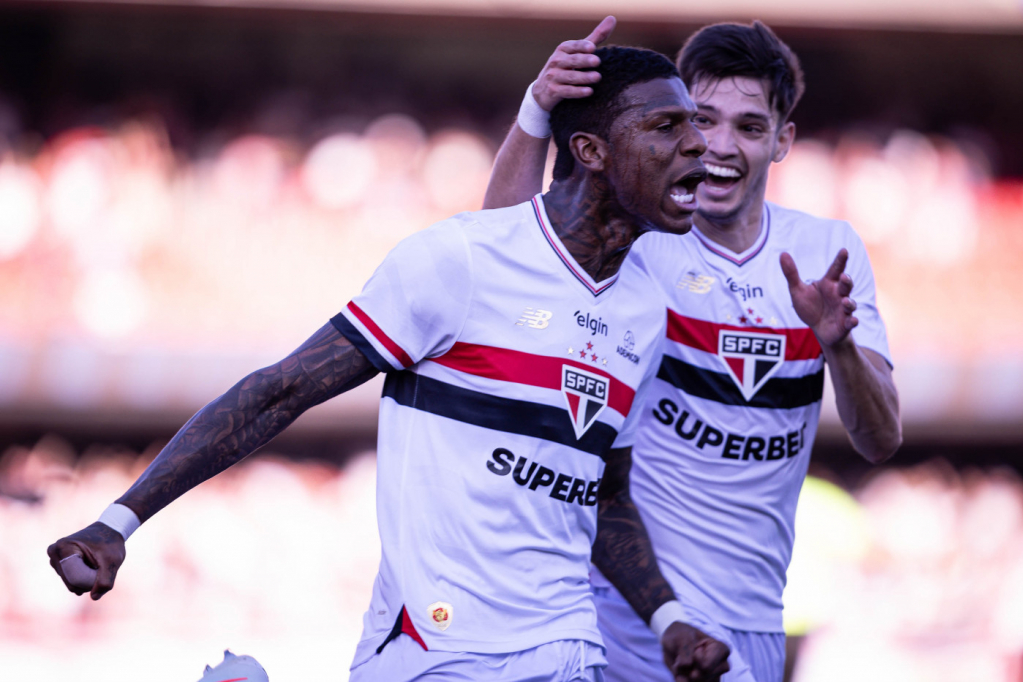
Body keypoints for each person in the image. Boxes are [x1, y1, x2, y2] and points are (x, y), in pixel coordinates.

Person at [48, 46, 732, 682]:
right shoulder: (461, 261)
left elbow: (604, 491)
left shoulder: (644, 309)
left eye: (695, 125)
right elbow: (281, 392)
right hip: (437, 647)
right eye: (667, 125)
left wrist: (667, 618)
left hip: (568, 646)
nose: (699, 143)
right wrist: (120, 520)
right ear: (591, 151)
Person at [483, 18, 902, 682]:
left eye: (750, 127)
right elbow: (503, 254)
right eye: (703, 120)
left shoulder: (826, 250)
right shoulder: (639, 237)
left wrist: (840, 348)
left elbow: (880, 440)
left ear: (783, 141)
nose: (721, 147)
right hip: (633, 614)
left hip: (758, 619)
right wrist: (537, 108)